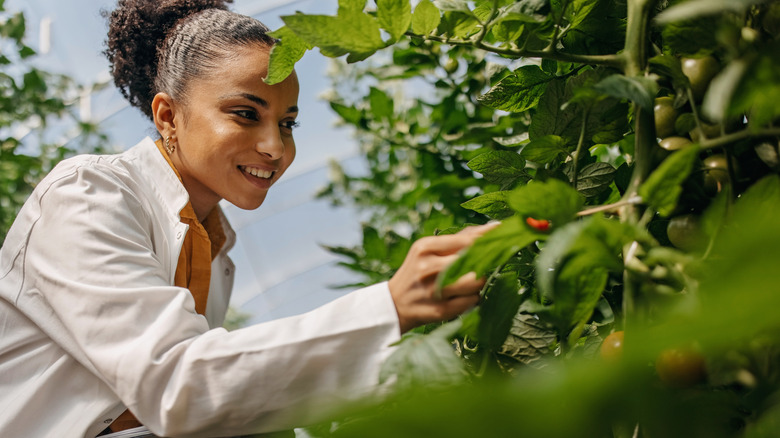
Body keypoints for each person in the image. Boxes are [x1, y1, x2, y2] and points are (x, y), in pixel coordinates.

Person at [0, 1, 497, 437]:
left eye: (288, 123)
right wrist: (390, 307)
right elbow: (179, 388)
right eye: (244, 113)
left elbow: (223, 396)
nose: (274, 147)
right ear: (168, 116)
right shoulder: (90, 195)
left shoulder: (215, 248)